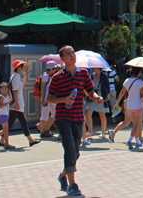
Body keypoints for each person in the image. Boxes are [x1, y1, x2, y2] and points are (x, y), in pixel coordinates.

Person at [48, 45, 104, 196]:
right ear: (63, 59)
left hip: (78, 117)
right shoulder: (57, 77)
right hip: (63, 118)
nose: (72, 55)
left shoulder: (83, 73)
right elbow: (49, 98)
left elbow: (90, 91)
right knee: (69, 148)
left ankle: (62, 175)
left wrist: (97, 98)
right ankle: (73, 184)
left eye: (73, 52)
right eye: (68, 54)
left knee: (76, 151)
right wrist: (63, 99)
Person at [111, 67, 143, 149]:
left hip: (129, 104)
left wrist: (117, 103)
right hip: (138, 105)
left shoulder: (127, 81)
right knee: (136, 124)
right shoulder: (140, 82)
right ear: (139, 72)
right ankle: (130, 140)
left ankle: (137, 140)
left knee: (132, 122)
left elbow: (122, 92)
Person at [8, 60, 41, 148]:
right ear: (18, 68)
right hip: (17, 103)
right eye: (22, 68)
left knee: (18, 122)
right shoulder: (15, 77)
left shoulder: (16, 76)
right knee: (18, 122)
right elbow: (14, 91)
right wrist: (17, 103)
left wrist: (26, 76)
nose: (23, 70)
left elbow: (21, 86)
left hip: (17, 103)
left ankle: (30, 140)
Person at [85, 67, 110, 140]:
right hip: (93, 95)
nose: (93, 68)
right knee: (88, 113)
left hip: (100, 95)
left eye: (95, 67)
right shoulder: (92, 75)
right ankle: (90, 131)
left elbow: (107, 86)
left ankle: (103, 132)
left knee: (102, 114)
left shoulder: (104, 76)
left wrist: (108, 94)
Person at [36, 62, 59, 138]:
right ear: (52, 69)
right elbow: (43, 88)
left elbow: (43, 88)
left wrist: (42, 98)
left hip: (46, 98)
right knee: (55, 114)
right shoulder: (50, 77)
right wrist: (43, 98)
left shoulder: (45, 76)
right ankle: (46, 129)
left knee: (44, 114)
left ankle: (42, 131)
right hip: (50, 98)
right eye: (54, 69)